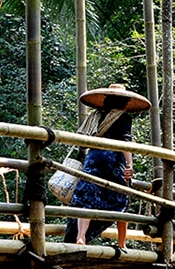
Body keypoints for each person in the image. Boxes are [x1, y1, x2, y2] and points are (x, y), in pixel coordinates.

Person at [64, 84, 151, 247]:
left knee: (87, 198)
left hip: (94, 157)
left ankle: (80, 236)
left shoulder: (96, 116)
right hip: (113, 159)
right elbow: (125, 142)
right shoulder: (123, 117)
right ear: (125, 102)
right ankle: (121, 243)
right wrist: (129, 164)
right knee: (121, 198)